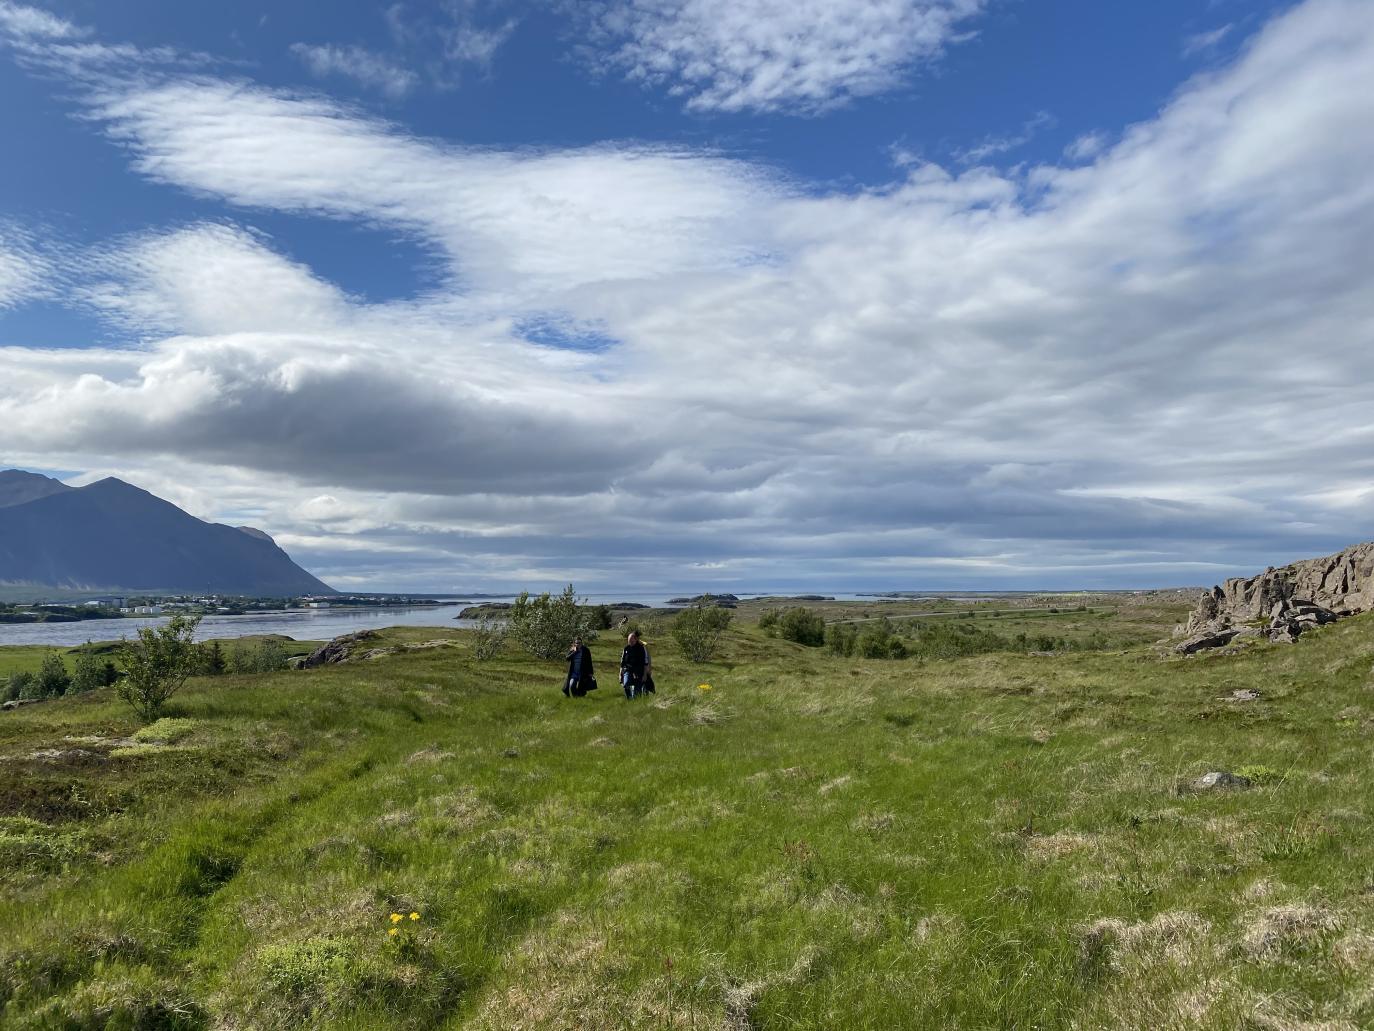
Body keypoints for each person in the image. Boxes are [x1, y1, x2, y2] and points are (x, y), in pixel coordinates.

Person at [619, 630, 650, 699]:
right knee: (626, 684)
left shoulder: (641, 649)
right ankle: (629, 699)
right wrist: (620, 672)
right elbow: (622, 662)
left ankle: (635, 703)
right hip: (628, 670)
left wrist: (645, 675)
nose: (630, 643)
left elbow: (646, 663)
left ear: (635, 640)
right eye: (629, 641)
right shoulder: (626, 649)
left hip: (639, 672)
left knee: (637, 693)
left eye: (632, 641)